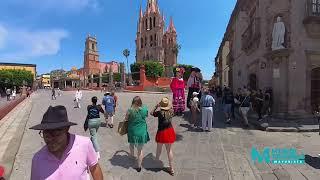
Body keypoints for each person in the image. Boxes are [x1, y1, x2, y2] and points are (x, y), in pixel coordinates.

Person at [30, 106, 103, 180]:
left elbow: (95, 168)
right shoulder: (37, 159)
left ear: (67, 129)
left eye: (56, 134)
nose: (50, 140)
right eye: (46, 135)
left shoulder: (84, 144)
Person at [150, 97, 176, 176]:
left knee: (159, 148)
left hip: (161, 132)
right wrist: (170, 105)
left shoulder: (159, 112)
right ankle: (171, 168)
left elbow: (151, 113)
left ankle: (156, 161)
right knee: (169, 150)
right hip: (169, 131)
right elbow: (172, 108)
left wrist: (156, 106)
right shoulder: (171, 111)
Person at [124, 96, 150, 172]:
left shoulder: (130, 110)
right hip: (142, 131)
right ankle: (139, 166)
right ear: (140, 102)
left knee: (131, 144)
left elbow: (126, 119)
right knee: (140, 150)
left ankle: (132, 156)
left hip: (132, 131)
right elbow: (146, 115)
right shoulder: (144, 109)